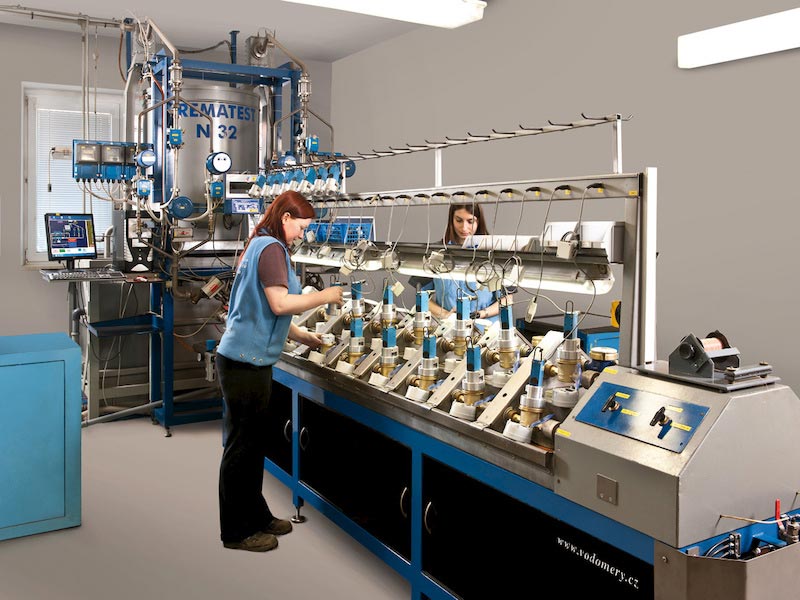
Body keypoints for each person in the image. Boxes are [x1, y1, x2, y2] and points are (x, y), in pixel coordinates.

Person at [215, 190, 343, 553]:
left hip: (248, 359)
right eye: (301, 227)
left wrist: (303, 336)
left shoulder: (263, 244)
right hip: (244, 362)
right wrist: (326, 295)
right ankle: (236, 532)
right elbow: (279, 303)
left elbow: (265, 309)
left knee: (253, 444)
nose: (303, 233)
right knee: (241, 449)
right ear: (285, 218)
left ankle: (256, 515)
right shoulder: (271, 248)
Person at [427, 203, 511, 323]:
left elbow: (507, 298)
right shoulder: (437, 252)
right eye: (459, 220)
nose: (464, 228)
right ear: (451, 219)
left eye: (470, 221)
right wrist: (446, 315)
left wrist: (481, 314)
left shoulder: (493, 253)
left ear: (479, 221)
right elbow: (422, 295)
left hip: (485, 327)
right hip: (448, 326)